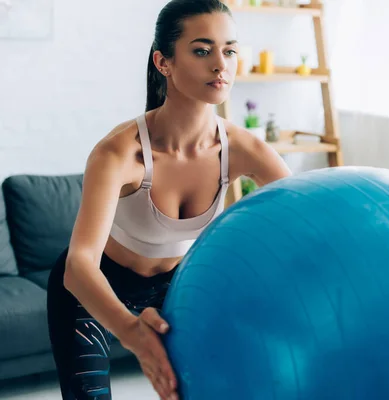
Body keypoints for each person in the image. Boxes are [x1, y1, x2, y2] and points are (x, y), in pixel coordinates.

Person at [46, 1, 291, 399]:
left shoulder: (245, 149)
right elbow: (78, 267)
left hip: (180, 287)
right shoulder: (120, 153)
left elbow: (307, 218)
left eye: (229, 50)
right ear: (164, 62)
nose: (220, 64)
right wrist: (131, 333)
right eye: (201, 49)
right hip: (93, 288)